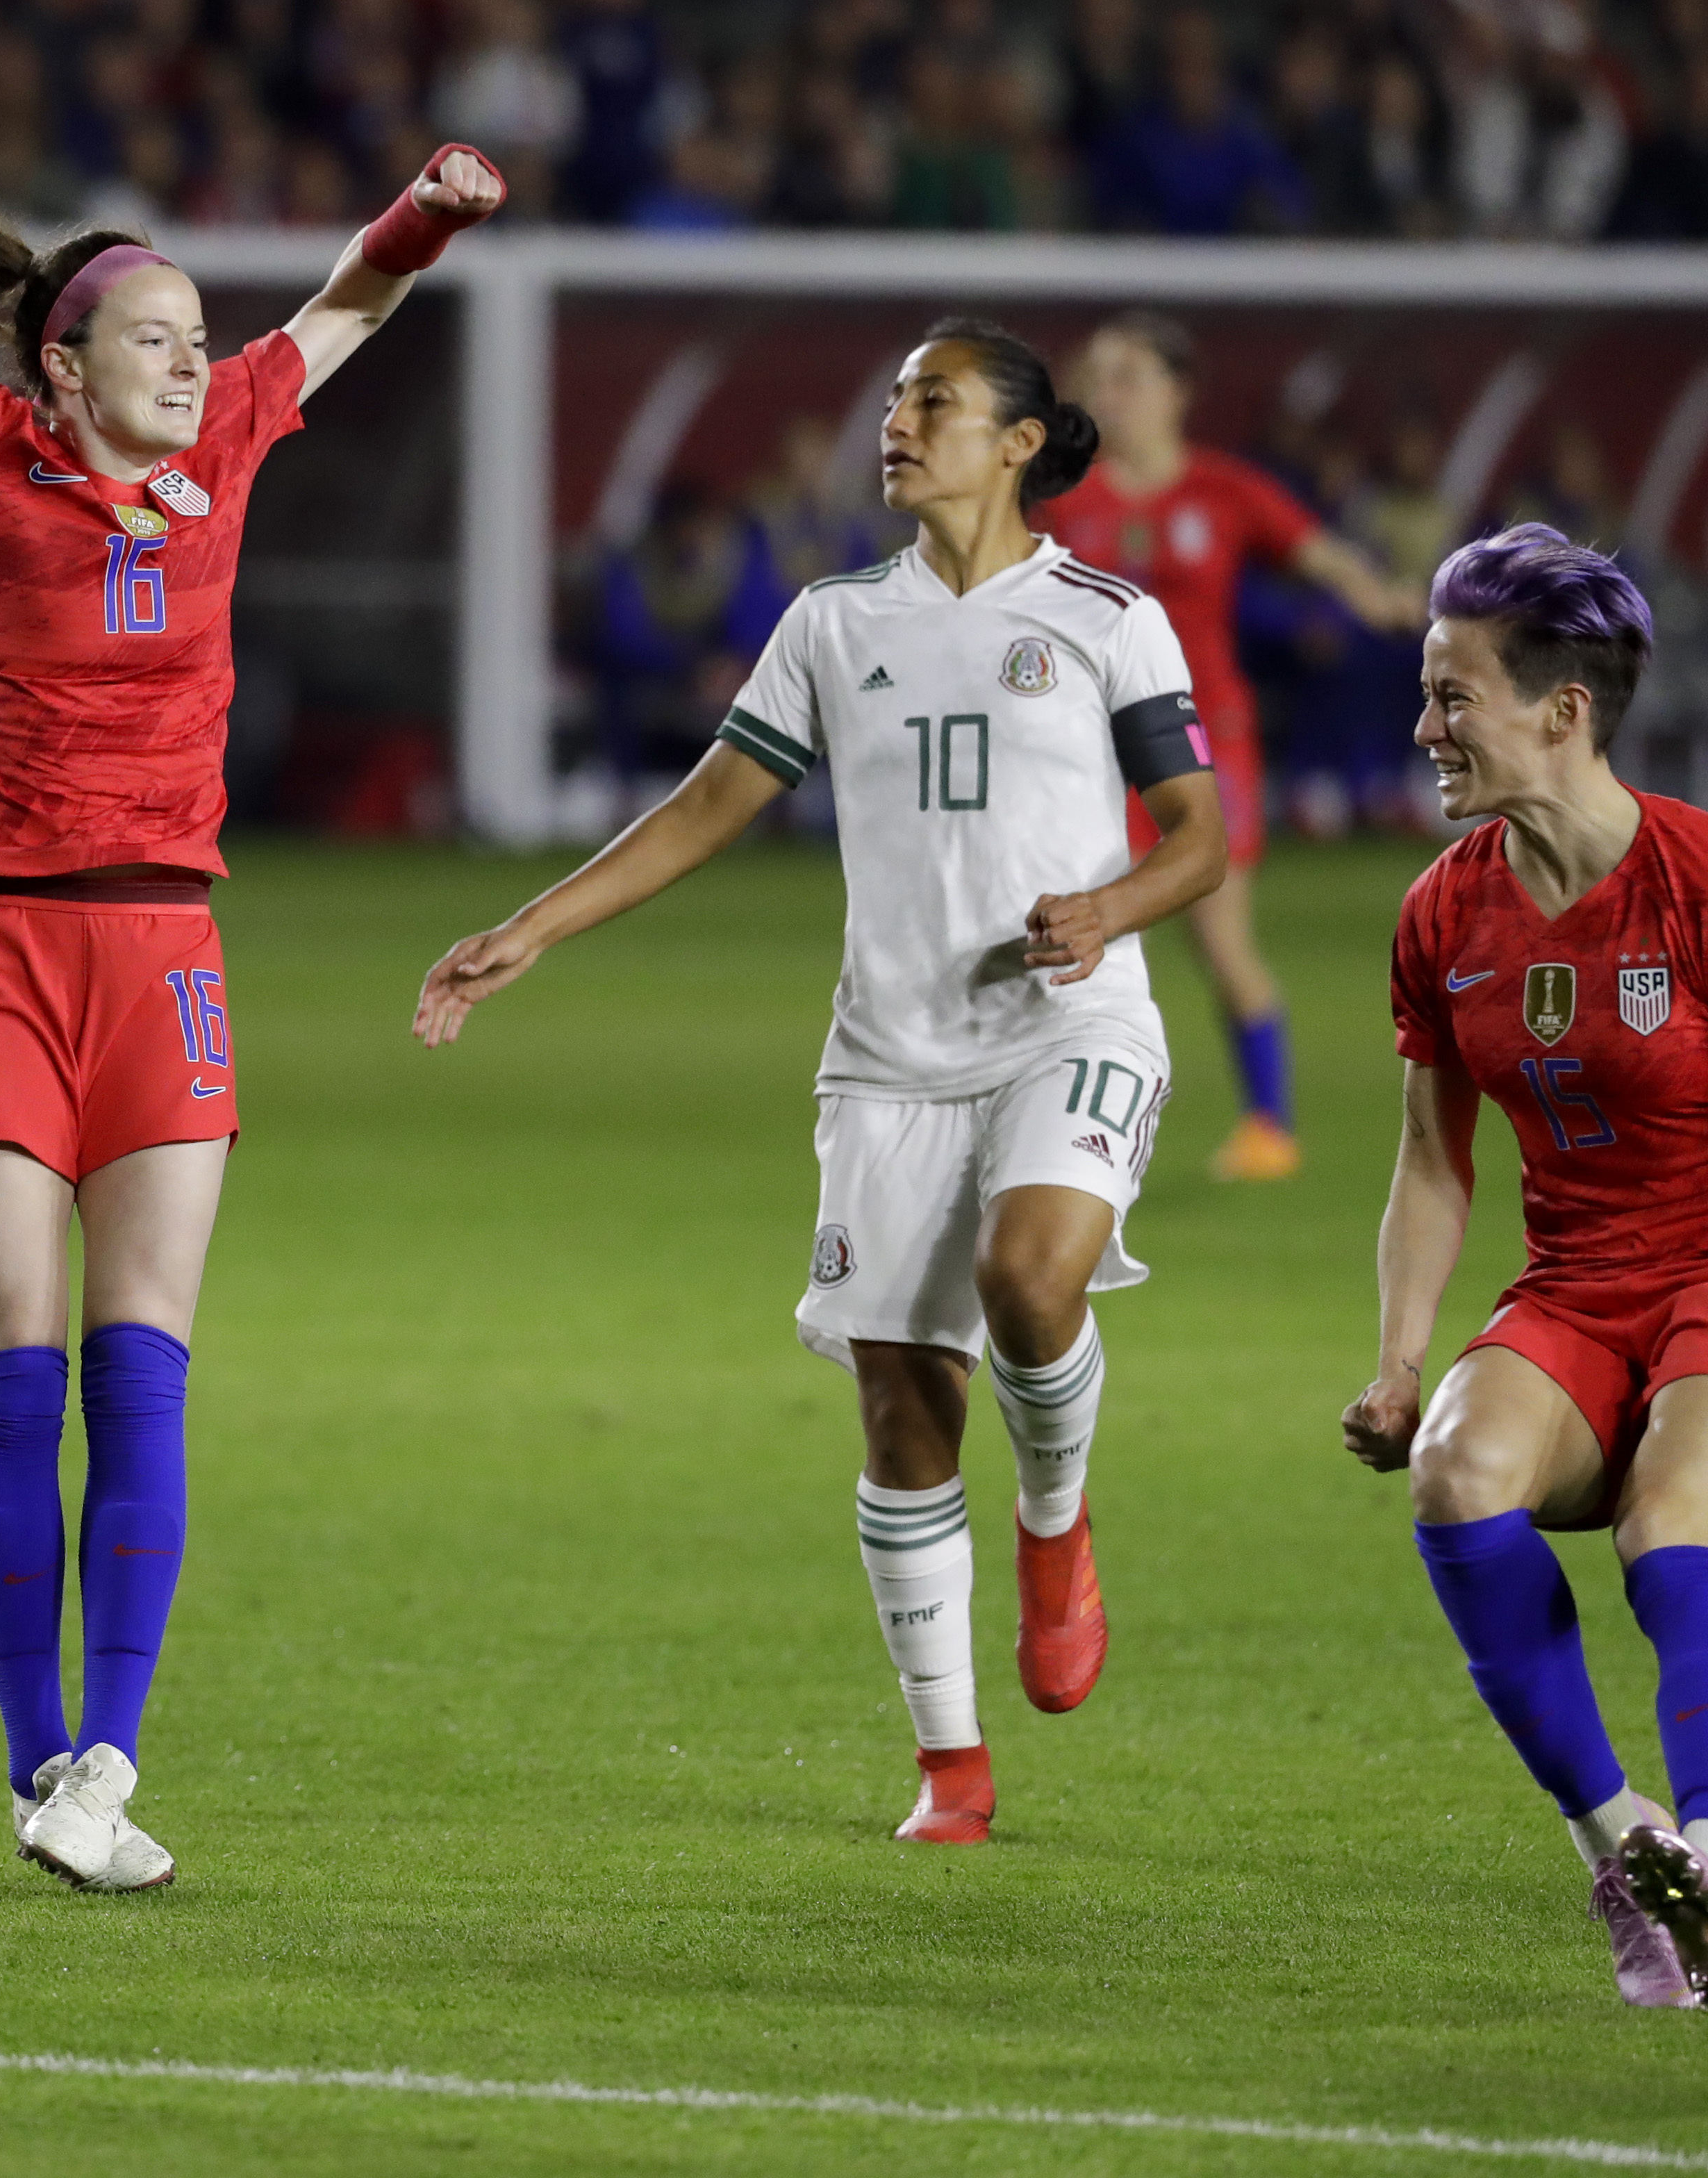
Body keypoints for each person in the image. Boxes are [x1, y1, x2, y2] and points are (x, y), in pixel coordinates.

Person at [0, 66, 504, 1891]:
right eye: (151, 338)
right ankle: (32, 1765)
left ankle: (108, 1768)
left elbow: (351, 304)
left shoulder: (229, 437)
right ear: (61, 371)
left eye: (195, 334)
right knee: (15, 1368)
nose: (189, 357)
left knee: (139, 1371)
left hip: (165, 955)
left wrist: (427, 214)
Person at [415, 317, 1229, 1847]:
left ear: (1021, 444)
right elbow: (710, 802)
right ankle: (953, 1765)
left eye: (938, 399)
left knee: (1029, 1277)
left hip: (1072, 1023)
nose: (899, 421)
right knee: (901, 1405)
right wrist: (529, 927)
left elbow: (1198, 830)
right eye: (898, 397)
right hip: (889, 1059)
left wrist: (1109, 909)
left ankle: (1057, 1516)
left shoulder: (1113, 619)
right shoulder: (833, 622)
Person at [1340, 525, 1708, 2011]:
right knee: (1456, 1477)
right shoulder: (1442, 910)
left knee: (1672, 1533)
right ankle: (1627, 1846)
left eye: (1454, 695)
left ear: (1564, 710)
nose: (1427, 728)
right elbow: (1431, 1157)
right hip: (1574, 1291)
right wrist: (1404, 1362)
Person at [1043, 310, 1428, 1182]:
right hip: (1093, 748)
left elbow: (1317, 551)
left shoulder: (1222, 489)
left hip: (1203, 741)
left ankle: (1270, 1128)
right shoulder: (1067, 498)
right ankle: (1070, 1120)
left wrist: (1377, 598)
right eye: (1102, 377)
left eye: (1131, 376)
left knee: (1221, 943)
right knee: (1078, 936)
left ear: (1179, 393)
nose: (1113, 394)